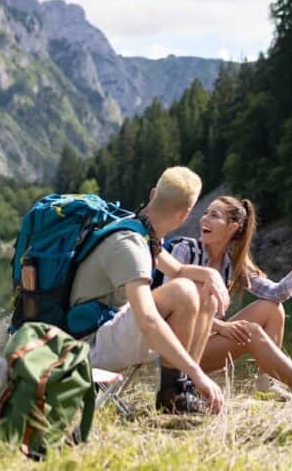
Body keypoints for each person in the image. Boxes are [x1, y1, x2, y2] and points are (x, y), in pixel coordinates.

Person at [69, 166, 230, 415]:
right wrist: (198, 373)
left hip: (107, 332)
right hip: (88, 347)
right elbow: (148, 320)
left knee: (203, 294)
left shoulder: (142, 232)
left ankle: (184, 389)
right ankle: (172, 394)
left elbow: (176, 269)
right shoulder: (129, 244)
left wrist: (210, 274)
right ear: (185, 214)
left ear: (154, 193)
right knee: (184, 292)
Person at [161, 196, 292, 397]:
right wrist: (222, 327)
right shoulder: (185, 250)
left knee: (272, 308)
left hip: (205, 343)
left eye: (214, 215)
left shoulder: (233, 264)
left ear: (232, 227)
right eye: (205, 213)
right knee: (252, 332)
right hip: (174, 346)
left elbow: (277, 293)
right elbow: (171, 307)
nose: (204, 219)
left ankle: (267, 386)